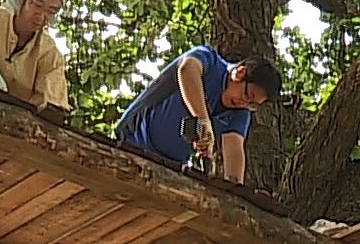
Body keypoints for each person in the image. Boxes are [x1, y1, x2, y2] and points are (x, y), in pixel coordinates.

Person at [114, 46, 279, 184]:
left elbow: (234, 149)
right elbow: (187, 69)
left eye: (252, 104)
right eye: (247, 95)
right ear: (240, 73)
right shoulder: (210, 61)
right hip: (133, 140)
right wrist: (203, 120)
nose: (244, 103)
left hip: (168, 166)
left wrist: (236, 191)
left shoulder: (240, 114)